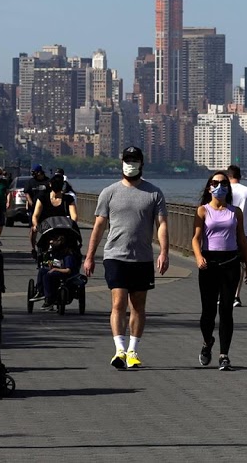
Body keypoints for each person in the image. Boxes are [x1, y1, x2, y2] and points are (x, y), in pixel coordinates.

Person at [83, 146, 169, 370]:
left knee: (138, 305)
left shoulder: (154, 193)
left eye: (135, 160)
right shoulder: (109, 192)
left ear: (142, 163)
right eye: (127, 160)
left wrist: (164, 252)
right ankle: (119, 349)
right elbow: (99, 226)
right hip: (115, 256)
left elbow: (161, 225)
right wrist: (90, 256)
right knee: (118, 303)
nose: (131, 164)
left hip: (142, 258)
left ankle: (133, 350)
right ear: (121, 163)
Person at [191, 171, 247, 371]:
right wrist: (199, 257)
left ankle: (224, 355)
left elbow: (242, 239)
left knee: (226, 310)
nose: (220, 186)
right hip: (209, 263)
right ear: (209, 187)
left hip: (231, 261)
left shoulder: (235, 212)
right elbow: (195, 238)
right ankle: (208, 342)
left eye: (224, 183)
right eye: (216, 183)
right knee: (208, 312)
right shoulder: (203, 210)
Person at [227, 165, 247, 307]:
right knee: (241, 264)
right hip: (243, 231)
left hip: (225, 231)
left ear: (229, 176)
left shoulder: (225, 189)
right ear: (240, 176)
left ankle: (224, 293)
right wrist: (245, 215)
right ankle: (236, 295)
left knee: (225, 263)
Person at [36, 233, 81, 309]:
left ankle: (49, 299)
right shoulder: (54, 254)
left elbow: (68, 270)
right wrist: (48, 262)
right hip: (54, 271)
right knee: (42, 271)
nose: (51, 242)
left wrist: (55, 269)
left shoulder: (67, 256)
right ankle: (40, 291)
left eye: (54, 240)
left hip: (64, 274)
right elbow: (50, 264)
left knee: (47, 276)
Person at [30, 173, 78, 239]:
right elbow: (35, 216)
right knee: (34, 231)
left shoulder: (68, 199)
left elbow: (74, 216)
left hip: (62, 226)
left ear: (50, 184)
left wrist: (71, 225)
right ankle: (34, 248)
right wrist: (36, 225)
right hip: (47, 226)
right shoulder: (43, 198)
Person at [24, 164, 51, 257]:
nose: (34, 175)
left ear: (40, 172)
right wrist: (30, 201)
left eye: (35, 173)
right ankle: (33, 248)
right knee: (33, 228)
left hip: (45, 209)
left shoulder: (47, 181)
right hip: (34, 208)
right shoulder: (31, 182)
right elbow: (26, 192)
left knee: (46, 229)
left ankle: (45, 247)